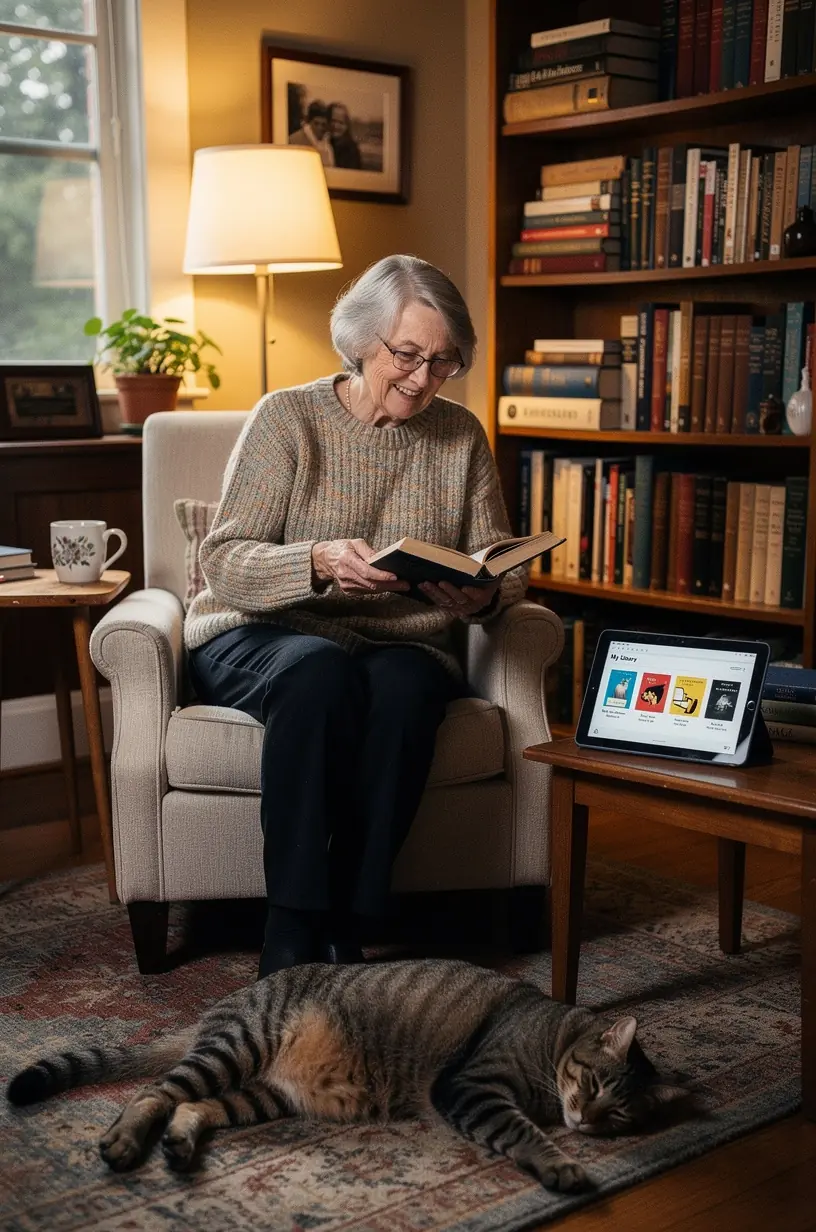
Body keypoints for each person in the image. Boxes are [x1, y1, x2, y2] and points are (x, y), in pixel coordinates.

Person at [185, 254, 527, 979]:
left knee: (407, 692)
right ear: (362, 339)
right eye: (407, 354)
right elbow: (224, 560)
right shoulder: (288, 418)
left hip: (398, 640)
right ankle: (294, 921)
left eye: (442, 362)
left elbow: (502, 557)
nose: (422, 378)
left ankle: (351, 915)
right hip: (261, 631)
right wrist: (315, 560)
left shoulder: (459, 435)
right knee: (319, 675)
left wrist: (486, 594)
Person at [288, 99, 335, 167]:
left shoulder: (328, 144)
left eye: (323, 124)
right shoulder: (295, 140)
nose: (320, 127)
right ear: (309, 122)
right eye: (316, 123)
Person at [328, 102, 362, 170]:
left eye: (341, 122)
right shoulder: (324, 142)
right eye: (333, 121)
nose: (336, 126)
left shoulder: (351, 150)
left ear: (346, 126)